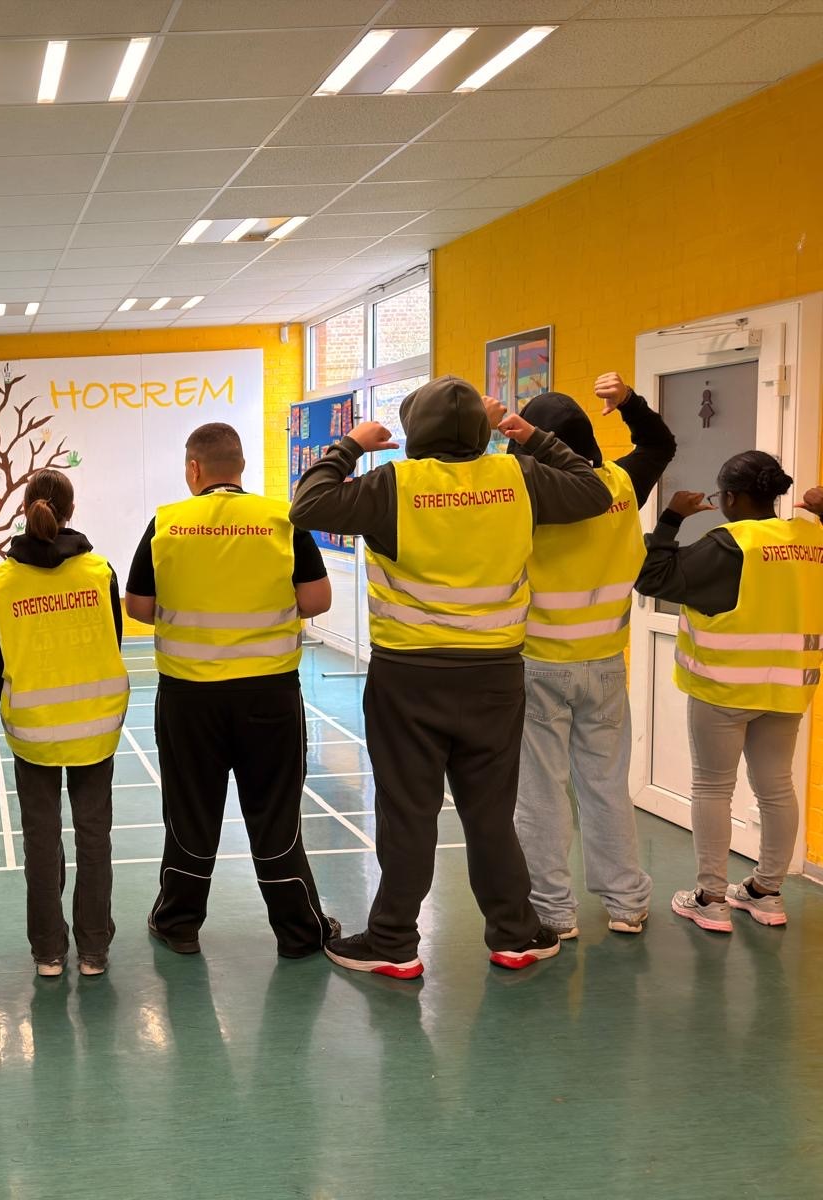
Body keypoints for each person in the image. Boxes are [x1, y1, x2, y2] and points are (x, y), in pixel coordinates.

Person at [292, 376, 612, 978]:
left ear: (416, 429)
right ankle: (515, 933)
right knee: (490, 812)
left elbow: (307, 506)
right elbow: (593, 491)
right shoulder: (518, 477)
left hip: (408, 676)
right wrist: (528, 433)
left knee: (408, 812)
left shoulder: (395, 484)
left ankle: (393, 940)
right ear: (480, 431)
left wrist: (350, 445)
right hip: (494, 675)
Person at [124, 422, 339, 960]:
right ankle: (298, 932)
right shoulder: (281, 519)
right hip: (269, 695)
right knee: (276, 814)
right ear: (240, 466)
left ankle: (178, 923)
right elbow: (316, 600)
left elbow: (139, 607)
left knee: (190, 812)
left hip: (189, 697)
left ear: (194, 469)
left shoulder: (166, 522)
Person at [511, 371, 676, 939]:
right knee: (605, 786)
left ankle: (553, 911)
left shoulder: (522, 495)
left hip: (537, 664)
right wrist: (628, 403)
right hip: (605, 663)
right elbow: (660, 445)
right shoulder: (622, 485)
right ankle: (626, 902)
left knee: (540, 794)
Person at [636, 454, 823, 933]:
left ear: (732, 498)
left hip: (723, 689)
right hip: (786, 689)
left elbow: (653, 578)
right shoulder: (810, 540)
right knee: (777, 787)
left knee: (712, 788)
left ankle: (711, 899)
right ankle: (767, 892)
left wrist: (671, 517)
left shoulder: (730, 543)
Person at [0, 469, 127, 977]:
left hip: (33, 730)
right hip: (96, 726)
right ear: (71, 511)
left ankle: (48, 951)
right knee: (95, 838)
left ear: (25, 510)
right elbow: (113, 640)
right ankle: (94, 949)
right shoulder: (100, 572)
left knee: (41, 842)